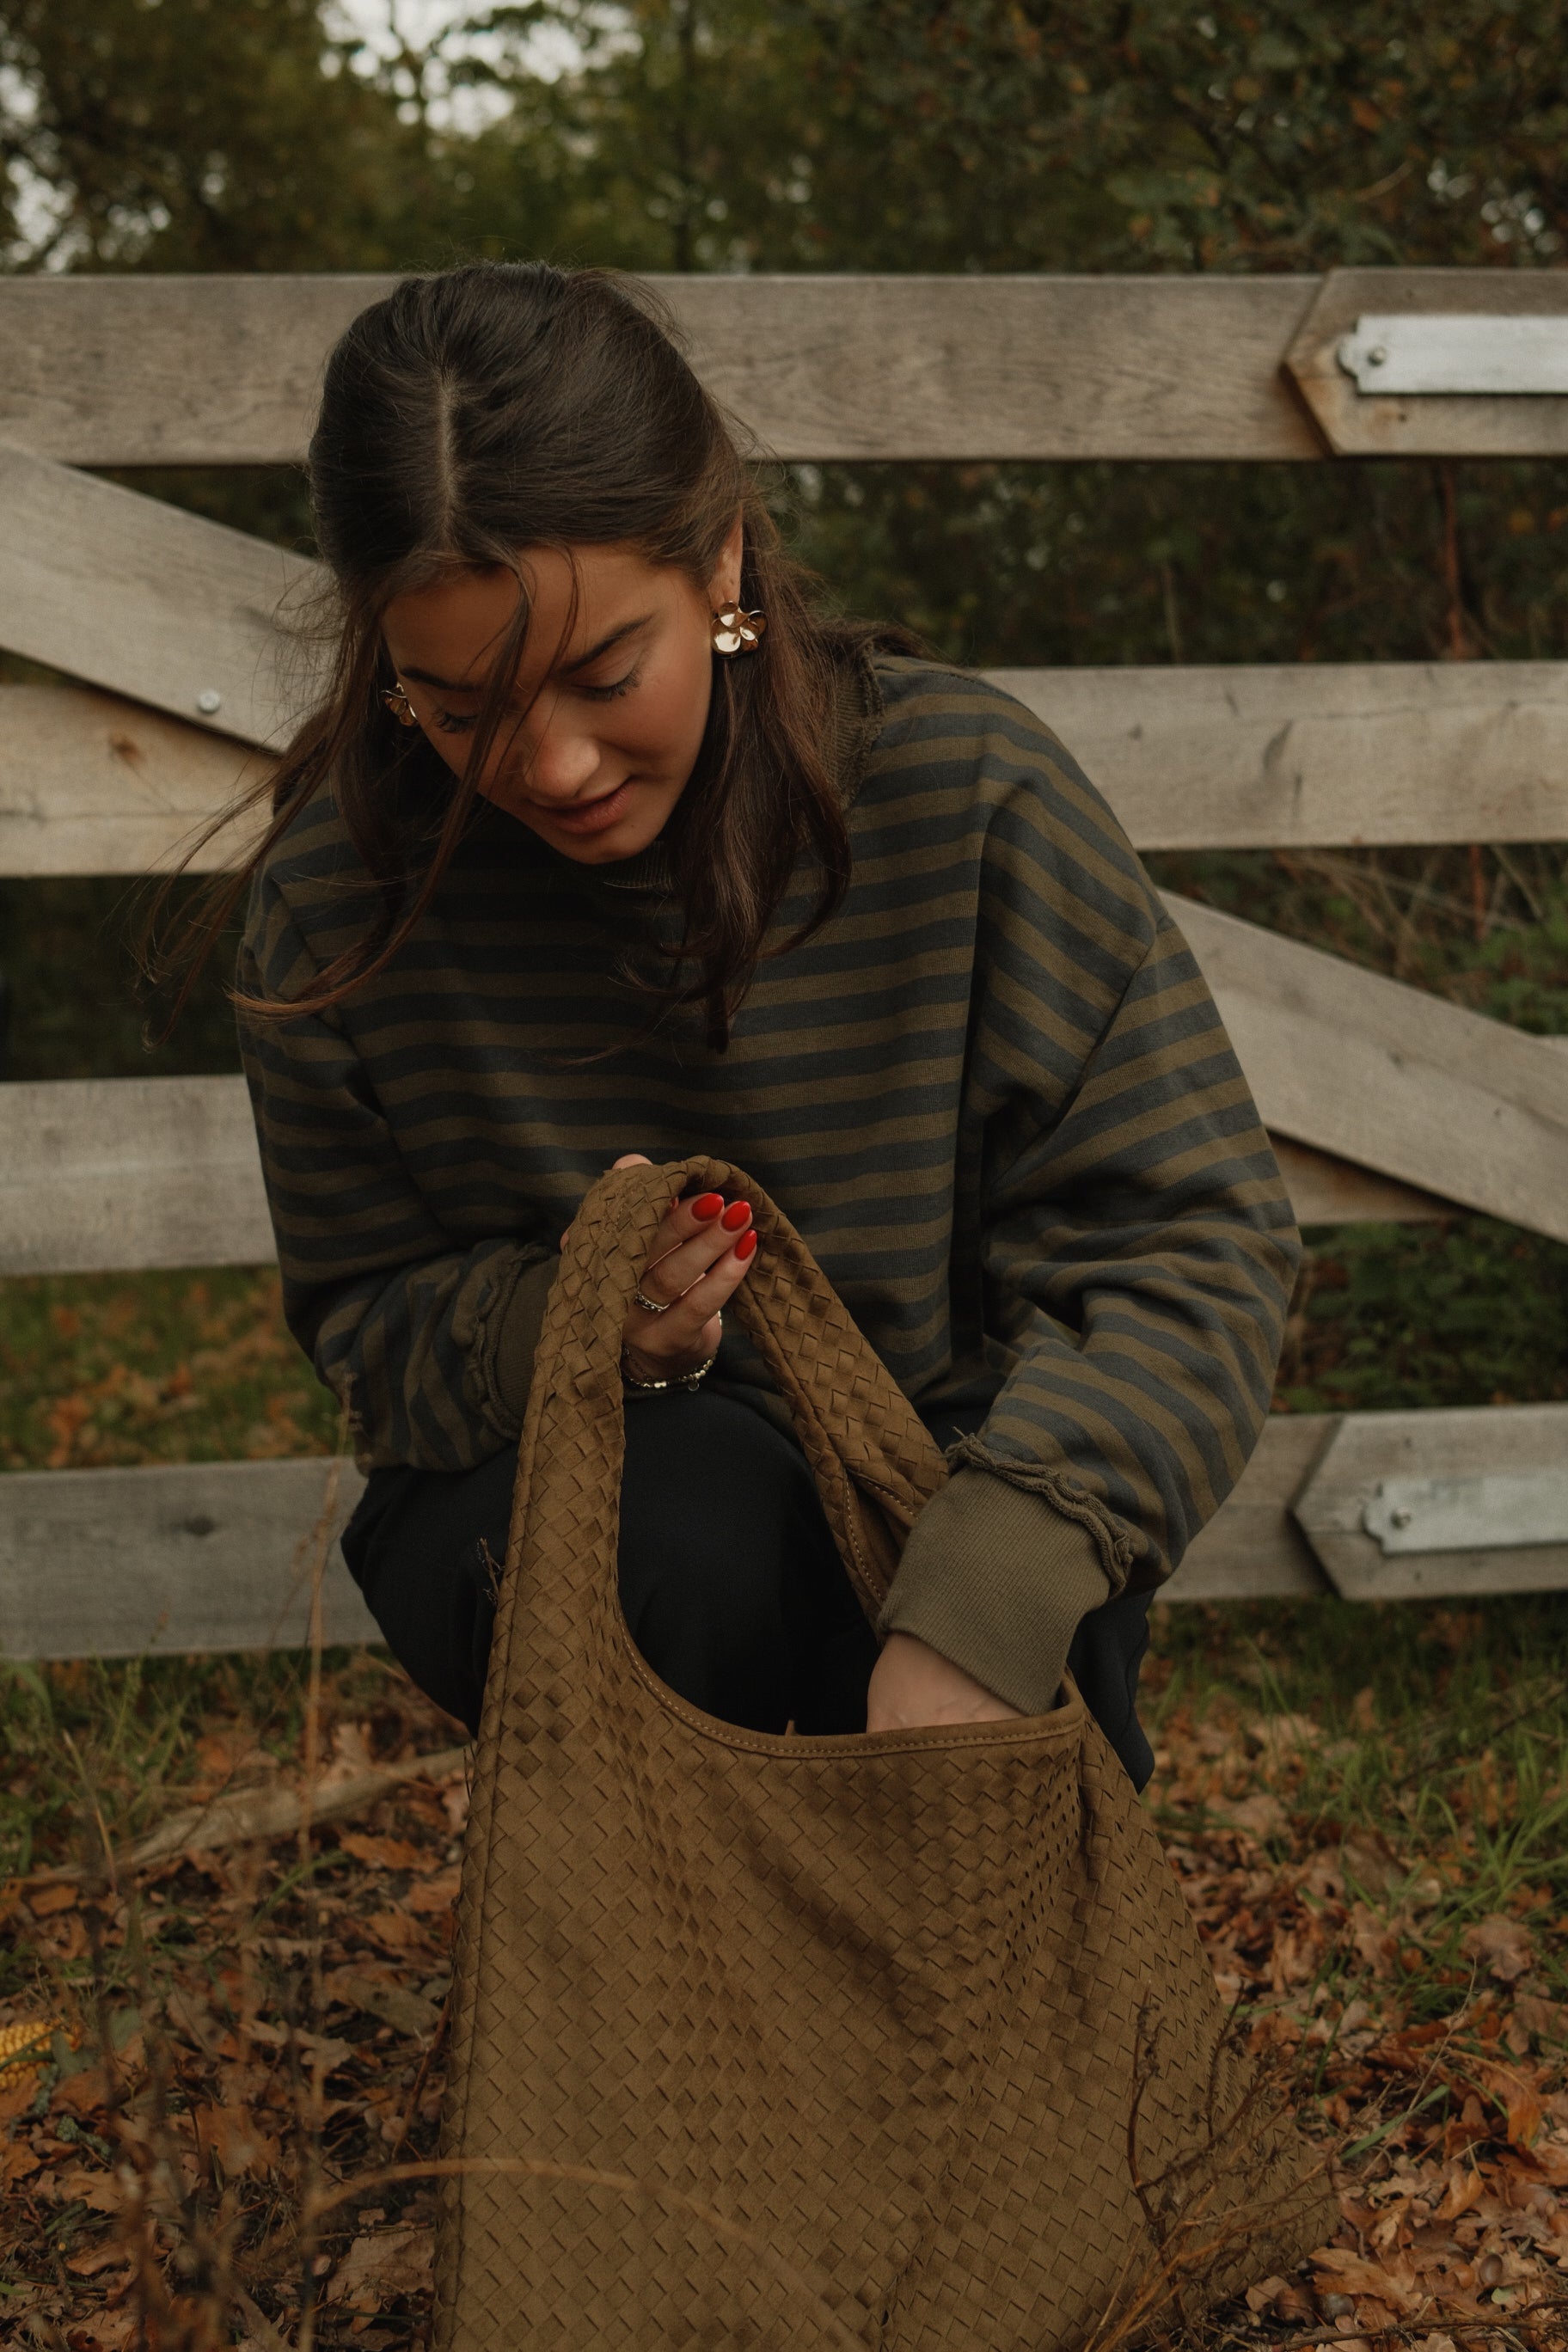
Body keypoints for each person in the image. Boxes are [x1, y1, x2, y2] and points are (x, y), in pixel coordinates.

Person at [212, 261, 1298, 1782]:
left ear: (719, 563)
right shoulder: (338, 896)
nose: (551, 764)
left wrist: (985, 1597)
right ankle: (654, 1979)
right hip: (558, 1504)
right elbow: (365, 1323)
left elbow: (1191, 1245)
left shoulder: (964, 793)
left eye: (603, 675)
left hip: (950, 1472)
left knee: (996, 1560)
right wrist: (584, 1325)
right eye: (456, 709)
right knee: (697, 1512)